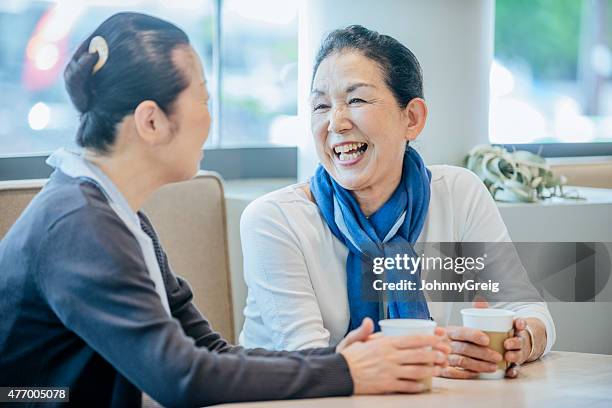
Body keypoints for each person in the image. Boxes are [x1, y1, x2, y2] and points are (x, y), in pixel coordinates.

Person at [0, 14, 450, 407]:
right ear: (151, 121)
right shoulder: (79, 225)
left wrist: (337, 362)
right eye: (203, 100)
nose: (209, 119)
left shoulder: (120, 216)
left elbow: (208, 350)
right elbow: (181, 378)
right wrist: (347, 372)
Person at [239, 25, 556, 379]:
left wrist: (519, 341)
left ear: (412, 118)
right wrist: (433, 356)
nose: (336, 122)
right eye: (321, 105)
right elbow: (312, 361)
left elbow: (526, 308)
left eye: (356, 100)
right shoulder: (274, 220)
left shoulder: (458, 192)